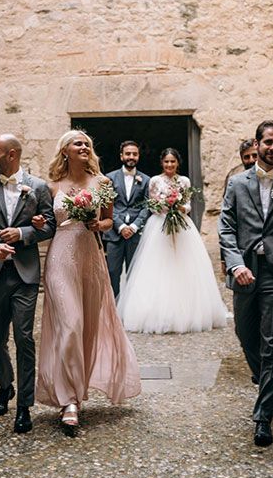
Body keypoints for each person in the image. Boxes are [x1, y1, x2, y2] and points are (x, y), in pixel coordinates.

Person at [33, 130, 141, 434]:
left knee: (88, 327)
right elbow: (45, 224)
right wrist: (39, 223)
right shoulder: (51, 186)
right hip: (60, 259)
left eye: (87, 144)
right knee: (70, 324)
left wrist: (100, 223)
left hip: (90, 258)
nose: (84, 147)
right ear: (64, 150)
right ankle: (68, 401)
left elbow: (108, 219)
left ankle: (78, 394)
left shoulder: (102, 183)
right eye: (78, 143)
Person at [219, 120, 273, 447]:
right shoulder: (237, 184)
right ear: (257, 144)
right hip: (245, 269)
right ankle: (272, 394)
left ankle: (262, 416)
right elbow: (226, 228)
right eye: (267, 142)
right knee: (245, 334)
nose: (272, 148)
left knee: (272, 343)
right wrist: (236, 263)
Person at [0, 134, 55, 434]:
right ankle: (5, 387)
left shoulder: (39, 187)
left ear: (12, 154)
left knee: (24, 337)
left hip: (25, 274)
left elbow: (50, 226)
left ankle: (24, 406)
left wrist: (21, 235)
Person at [117, 148, 228, 334]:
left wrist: (178, 206)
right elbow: (151, 205)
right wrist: (163, 206)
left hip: (182, 226)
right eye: (166, 162)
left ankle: (188, 311)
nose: (169, 165)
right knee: (158, 265)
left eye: (173, 162)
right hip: (159, 226)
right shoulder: (155, 180)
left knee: (184, 264)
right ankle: (154, 312)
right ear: (162, 163)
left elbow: (189, 205)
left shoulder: (184, 181)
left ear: (178, 163)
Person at [103, 140, 151, 298]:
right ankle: (113, 310)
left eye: (135, 154)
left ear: (138, 156)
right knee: (112, 273)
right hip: (114, 233)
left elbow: (147, 206)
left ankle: (131, 311)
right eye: (128, 153)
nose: (131, 157)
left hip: (136, 235)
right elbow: (108, 204)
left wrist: (135, 226)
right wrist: (121, 226)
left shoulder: (146, 180)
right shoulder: (109, 178)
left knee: (135, 273)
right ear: (121, 156)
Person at [220, 138, 258, 274]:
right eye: (246, 157)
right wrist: (225, 258)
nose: (251, 160)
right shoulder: (233, 178)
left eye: (255, 155)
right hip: (241, 244)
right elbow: (226, 218)